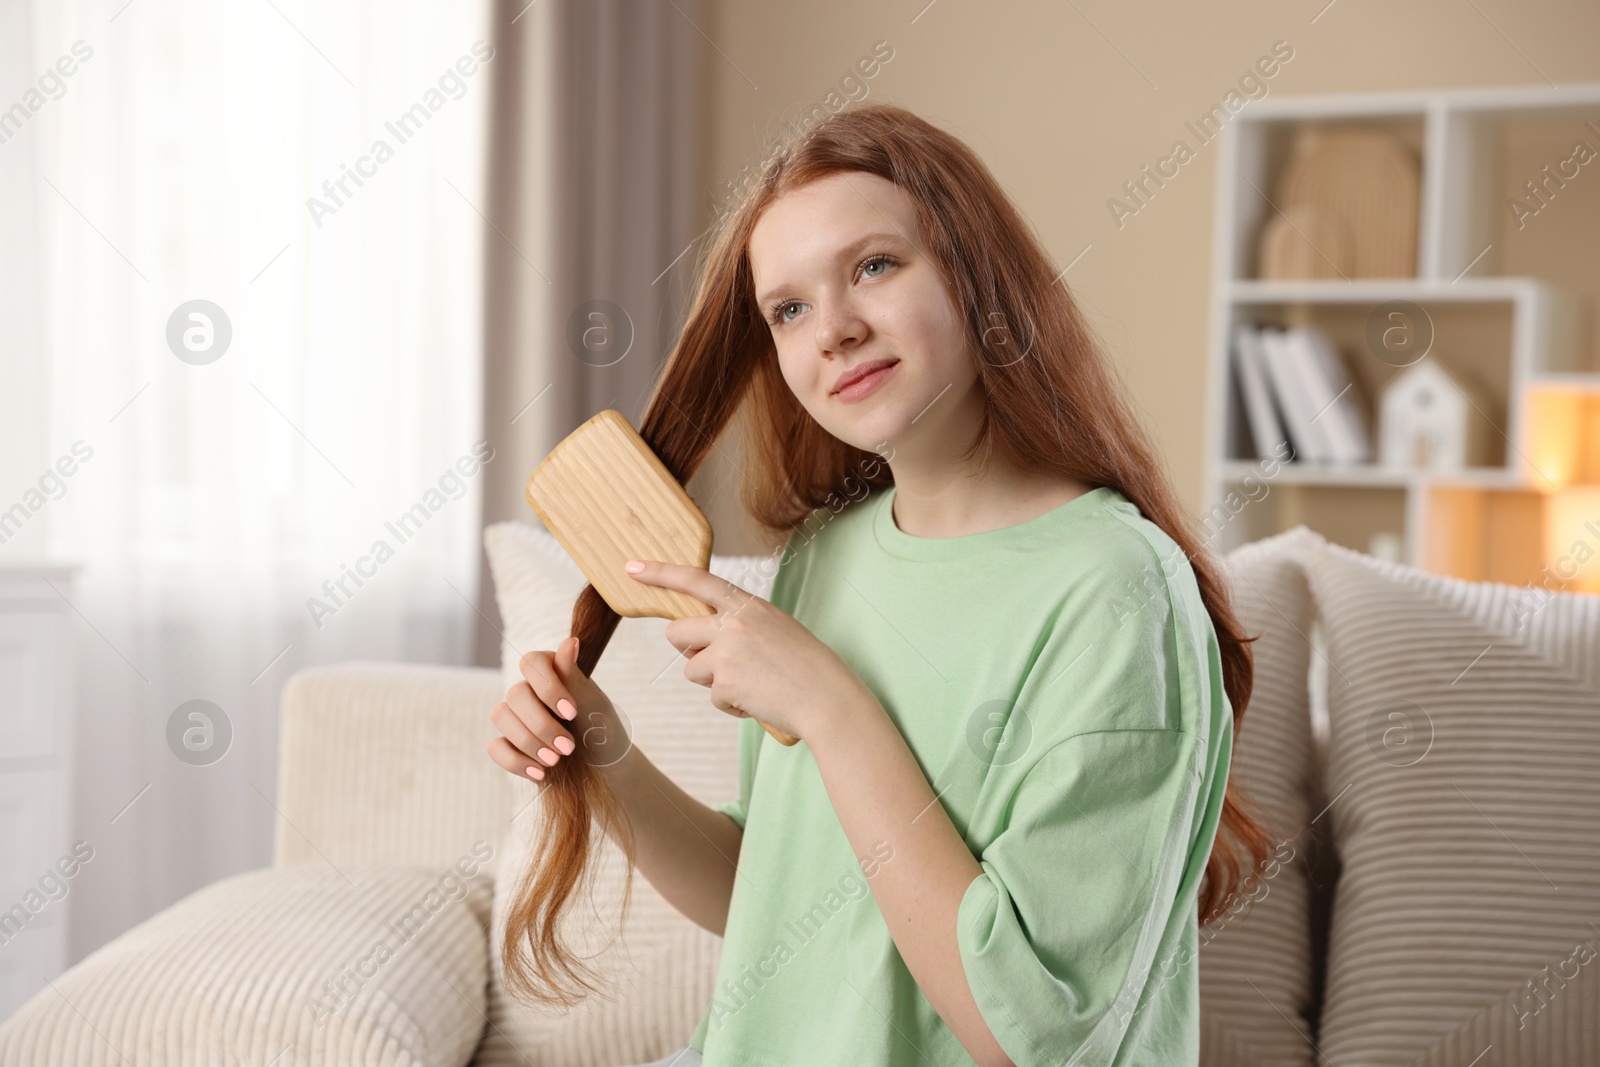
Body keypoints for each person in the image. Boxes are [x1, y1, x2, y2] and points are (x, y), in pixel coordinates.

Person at [487, 103, 1273, 1066]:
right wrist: (603, 756)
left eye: (873, 267)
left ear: (976, 274)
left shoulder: (1118, 593)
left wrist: (827, 701)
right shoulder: (824, 556)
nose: (836, 331)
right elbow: (772, 899)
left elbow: (1027, 1033)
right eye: (789, 309)